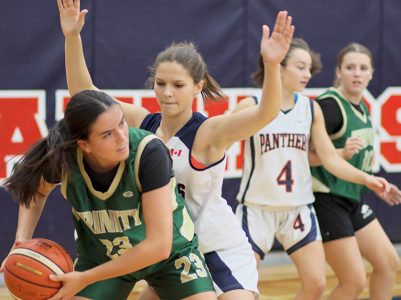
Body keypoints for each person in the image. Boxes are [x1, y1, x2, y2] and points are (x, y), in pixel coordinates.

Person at [58, 0, 295, 298]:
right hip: (170, 251)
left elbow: (265, 114)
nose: (167, 92)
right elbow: (85, 94)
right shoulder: (141, 125)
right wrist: (72, 37)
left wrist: (272, 66)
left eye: (178, 85)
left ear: (197, 87)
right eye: (160, 83)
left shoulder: (207, 132)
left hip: (213, 247)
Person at [1, 90, 217, 300]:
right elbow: (37, 190)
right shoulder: (66, 158)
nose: (121, 137)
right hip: (103, 257)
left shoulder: (148, 152)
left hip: (170, 256)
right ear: (84, 145)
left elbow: (159, 246)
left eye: (122, 123)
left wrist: (85, 278)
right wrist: (22, 238)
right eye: (107, 134)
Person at [233, 38, 401, 300]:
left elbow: (329, 159)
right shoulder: (250, 105)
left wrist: (368, 179)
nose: (307, 74)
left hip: (299, 207)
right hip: (257, 208)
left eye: (309, 68)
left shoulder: (310, 108)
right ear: (279, 66)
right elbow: (215, 142)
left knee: (316, 284)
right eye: (300, 67)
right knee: (242, 287)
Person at [310, 43, 401, 300]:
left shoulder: (362, 108)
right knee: (353, 282)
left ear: (372, 73)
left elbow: (358, 163)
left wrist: (375, 185)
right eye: (350, 68)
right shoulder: (330, 106)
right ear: (339, 72)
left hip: (352, 198)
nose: (357, 73)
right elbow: (303, 155)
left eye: (363, 68)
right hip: (326, 199)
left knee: (388, 262)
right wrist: (339, 154)